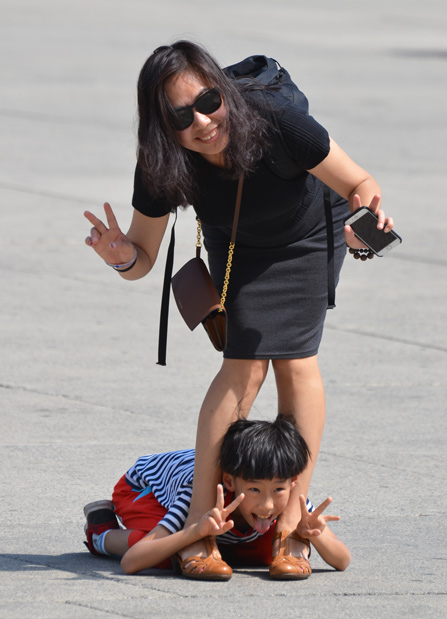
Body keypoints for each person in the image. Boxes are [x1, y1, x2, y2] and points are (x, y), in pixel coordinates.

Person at [84, 40, 394, 577]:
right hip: (238, 249)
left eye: (209, 100)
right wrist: (119, 257)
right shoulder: (161, 162)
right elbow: (142, 259)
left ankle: (293, 526)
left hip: (310, 235)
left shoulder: (278, 120)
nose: (203, 121)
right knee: (244, 365)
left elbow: (361, 184)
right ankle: (200, 526)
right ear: (163, 126)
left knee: (295, 360)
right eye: (182, 116)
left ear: (223, 91)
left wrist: (364, 226)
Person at [83, 416, 351, 579]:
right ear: (229, 481)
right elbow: (132, 563)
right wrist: (194, 532)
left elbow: (342, 560)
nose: (267, 504)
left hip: (189, 485)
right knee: (169, 555)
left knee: (264, 553)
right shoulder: (200, 494)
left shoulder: (292, 498)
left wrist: (315, 535)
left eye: (278, 490)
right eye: (254, 490)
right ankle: (100, 534)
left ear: (293, 482)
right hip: (142, 488)